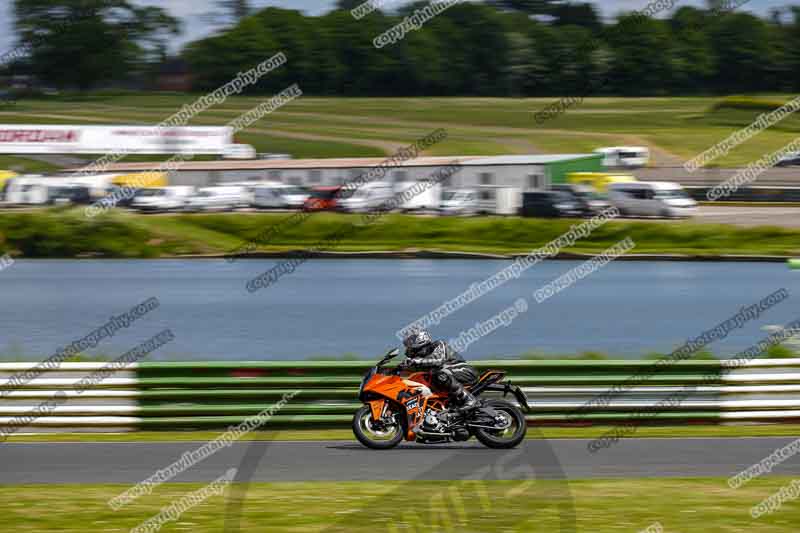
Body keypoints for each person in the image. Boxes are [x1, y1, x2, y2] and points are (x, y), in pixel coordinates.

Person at [400, 329, 478, 414]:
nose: (408, 342)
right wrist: (400, 368)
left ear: (421, 338)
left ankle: (469, 399)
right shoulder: (417, 355)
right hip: (448, 378)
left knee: (440, 374)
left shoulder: (438, 345)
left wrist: (416, 361)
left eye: (411, 339)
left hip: (464, 371)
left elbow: (437, 360)